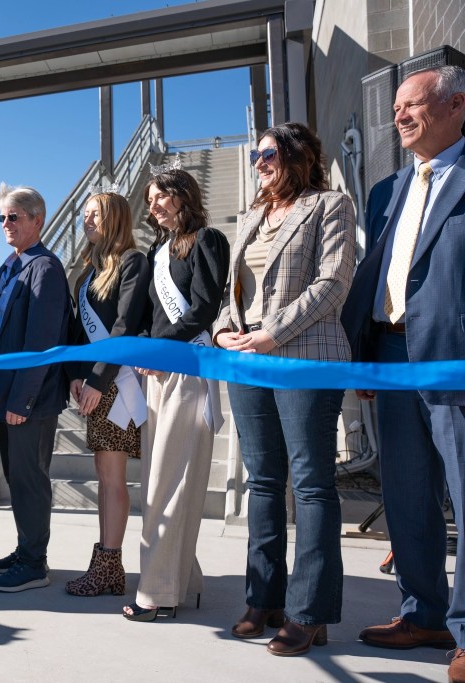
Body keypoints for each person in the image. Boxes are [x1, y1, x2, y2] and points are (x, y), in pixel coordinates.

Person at [341, 65, 465, 681]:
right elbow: (379, 271)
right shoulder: (387, 188)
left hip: (453, 360)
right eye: (395, 109)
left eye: (411, 105)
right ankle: (423, 614)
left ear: (455, 106)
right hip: (390, 356)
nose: (399, 117)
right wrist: (365, 354)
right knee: (407, 495)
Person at [214, 123, 356, 656]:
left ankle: (308, 613)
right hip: (248, 361)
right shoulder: (250, 216)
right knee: (264, 483)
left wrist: (272, 334)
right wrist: (222, 331)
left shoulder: (330, 206)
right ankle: (264, 599)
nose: (258, 162)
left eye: (268, 153)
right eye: (255, 154)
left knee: (313, 485)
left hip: (304, 359)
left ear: (298, 156)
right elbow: (232, 292)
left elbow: (332, 282)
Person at [122, 170, 229, 620]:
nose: (153, 206)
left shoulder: (208, 240)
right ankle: (186, 579)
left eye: (160, 197)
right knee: (158, 483)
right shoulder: (157, 250)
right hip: (159, 372)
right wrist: (148, 347)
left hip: (187, 371)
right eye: (149, 200)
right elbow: (152, 315)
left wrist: (161, 349)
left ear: (183, 195)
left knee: (171, 482)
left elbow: (204, 307)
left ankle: (158, 593)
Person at [0, 183, 71, 593]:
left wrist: (22, 401)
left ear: (38, 220)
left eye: (14, 216)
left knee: (30, 480)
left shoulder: (45, 268)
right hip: (6, 396)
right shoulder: (11, 267)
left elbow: (41, 342)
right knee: (18, 478)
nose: (6, 223)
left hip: (29, 401)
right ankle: (25, 550)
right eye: (1, 217)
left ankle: (34, 563)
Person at [65, 192, 150, 598]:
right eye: (84, 215)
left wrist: (98, 381)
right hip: (95, 382)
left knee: (113, 477)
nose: (87, 221)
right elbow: (79, 332)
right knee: (104, 474)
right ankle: (107, 567)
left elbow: (124, 326)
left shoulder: (133, 262)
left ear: (114, 218)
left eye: (94, 214)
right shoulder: (88, 272)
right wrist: (76, 375)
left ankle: (108, 566)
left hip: (118, 383)